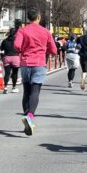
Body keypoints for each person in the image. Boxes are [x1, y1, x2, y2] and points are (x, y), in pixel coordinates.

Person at [14, 8, 58, 136]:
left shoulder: (22, 30)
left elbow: (16, 45)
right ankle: (29, 116)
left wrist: (23, 49)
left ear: (28, 18)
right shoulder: (46, 31)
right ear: (38, 17)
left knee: (26, 91)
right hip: (39, 63)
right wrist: (44, 49)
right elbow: (54, 50)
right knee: (35, 91)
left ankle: (26, 118)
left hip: (25, 63)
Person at [0, 27, 21, 94]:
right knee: (15, 73)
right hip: (15, 57)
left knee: (7, 73)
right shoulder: (17, 40)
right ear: (15, 33)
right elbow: (20, 48)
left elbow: (1, 49)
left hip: (7, 57)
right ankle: (13, 87)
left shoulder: (5, 41)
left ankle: (5, 87)